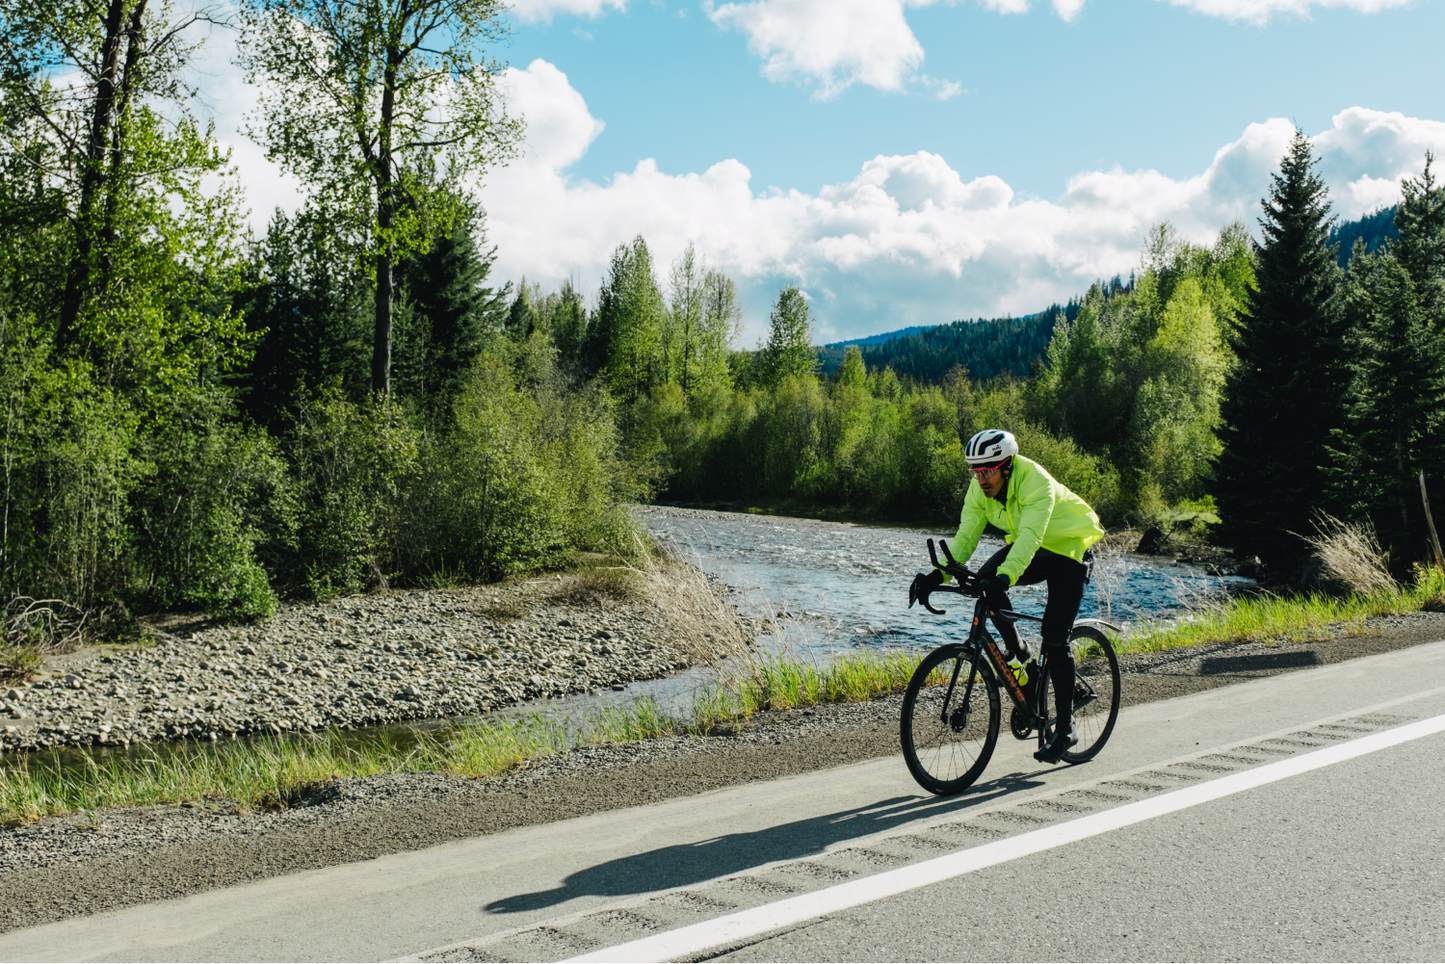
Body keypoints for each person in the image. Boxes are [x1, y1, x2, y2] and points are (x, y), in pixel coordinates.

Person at [911, 429, 1104, 764]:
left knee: (1055, 636)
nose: (981, 479)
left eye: (987, 472)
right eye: (975, 472)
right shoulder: (979, 489)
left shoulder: (1035, 482)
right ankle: (1024, 662)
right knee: (984, 583)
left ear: (1007, 466)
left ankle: (1067, 726)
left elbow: (1029, 537)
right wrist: (936, 574)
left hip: (1069, 549)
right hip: (1035, 549)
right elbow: (963, 540)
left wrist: (1005, 578)